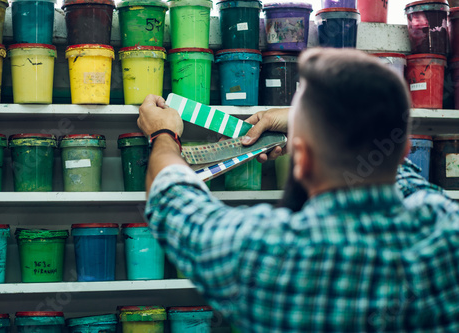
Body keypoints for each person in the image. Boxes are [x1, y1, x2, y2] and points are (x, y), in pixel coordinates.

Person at [137, 48, 459, 332]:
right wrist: (321, 124)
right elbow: (401, 172)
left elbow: (171, 194)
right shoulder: (447, 232)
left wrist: (163, 132)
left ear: (300, 159)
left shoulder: (263, 253)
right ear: (404, 150)